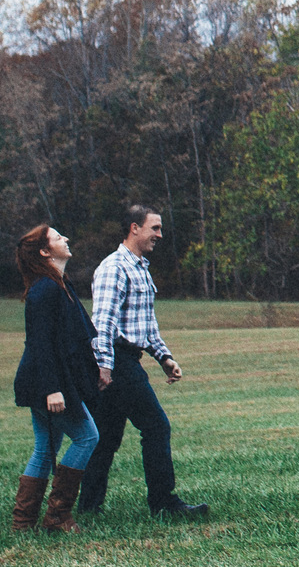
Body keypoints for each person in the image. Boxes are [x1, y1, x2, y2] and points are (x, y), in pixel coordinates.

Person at [80, 203, 208, 522]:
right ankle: (163, 503)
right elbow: (104, 322)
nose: (160, 235)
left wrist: (164, 357)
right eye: (155, 228)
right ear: (134, 228)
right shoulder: (114, 268)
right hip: (118, 362)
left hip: (125, 359)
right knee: (155, 426)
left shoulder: (140, 267)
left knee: (105, 439)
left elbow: (146, 325)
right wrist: (105, 367)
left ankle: (87, 508)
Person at [10, 224, 102, 533]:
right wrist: (52, 390)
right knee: (87, 437)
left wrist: (96, 370)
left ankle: (23, 523)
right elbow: (40, 344)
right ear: (45, 251)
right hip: (45, 383)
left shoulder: (60, 284)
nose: (66, 238)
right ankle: (57, 516)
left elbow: (77, 338)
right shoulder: (45, 289)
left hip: (52, 380)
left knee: (45, 448)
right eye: (58, 236)